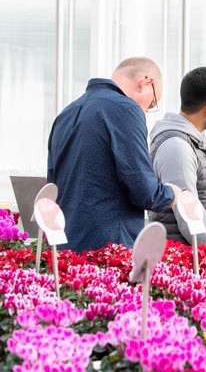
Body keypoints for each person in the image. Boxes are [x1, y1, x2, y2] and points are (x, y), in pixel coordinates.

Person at [47, 57, 180, 253]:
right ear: (145, 82)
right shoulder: (126, 109)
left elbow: (53, 183)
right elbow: (144, 190)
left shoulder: (66, 114)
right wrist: (171, 194)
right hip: (109, 249)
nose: (146, 111)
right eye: (152, 104)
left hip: (65, 247)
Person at [149, 67, 206, 244]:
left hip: (198, 254)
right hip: (189, 256)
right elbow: (189, 216)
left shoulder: (192, 141)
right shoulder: (177, 147)